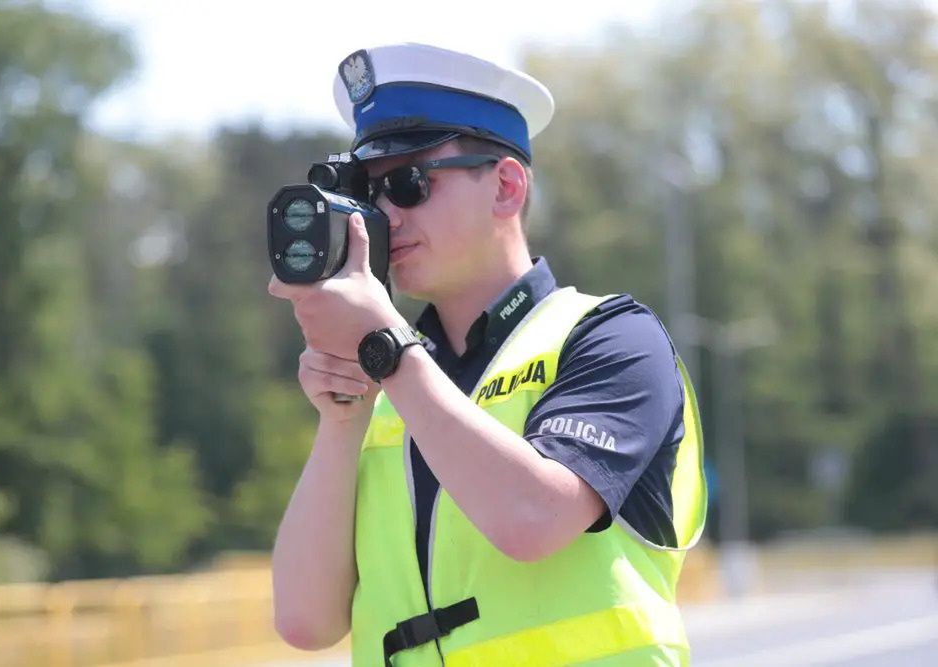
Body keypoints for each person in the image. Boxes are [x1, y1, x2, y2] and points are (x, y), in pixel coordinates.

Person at [268, 43, 706, 667]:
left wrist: (390, 350)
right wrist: (343, 417)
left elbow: (532, 521)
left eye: (408, 183)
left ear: (505, 186)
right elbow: (305, 621)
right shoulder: (395, 377)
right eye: (370, 190)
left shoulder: (610, 337)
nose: (384, 215)